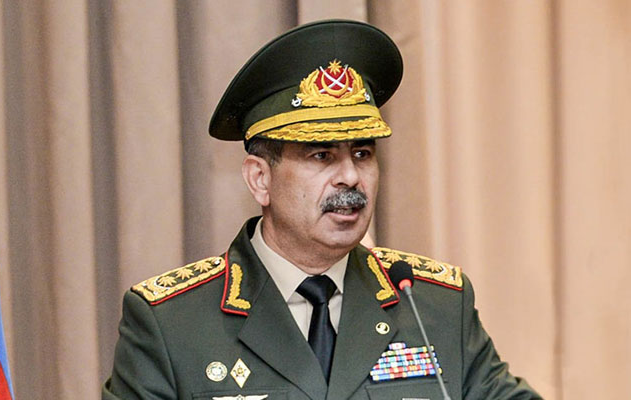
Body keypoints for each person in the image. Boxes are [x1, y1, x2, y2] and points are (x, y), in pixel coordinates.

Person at [102, 20, 541, 400]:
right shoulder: (172, 323)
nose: (350, 177)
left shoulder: (434, 306)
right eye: (321, 155)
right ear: (260, 179)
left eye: (363, 154)